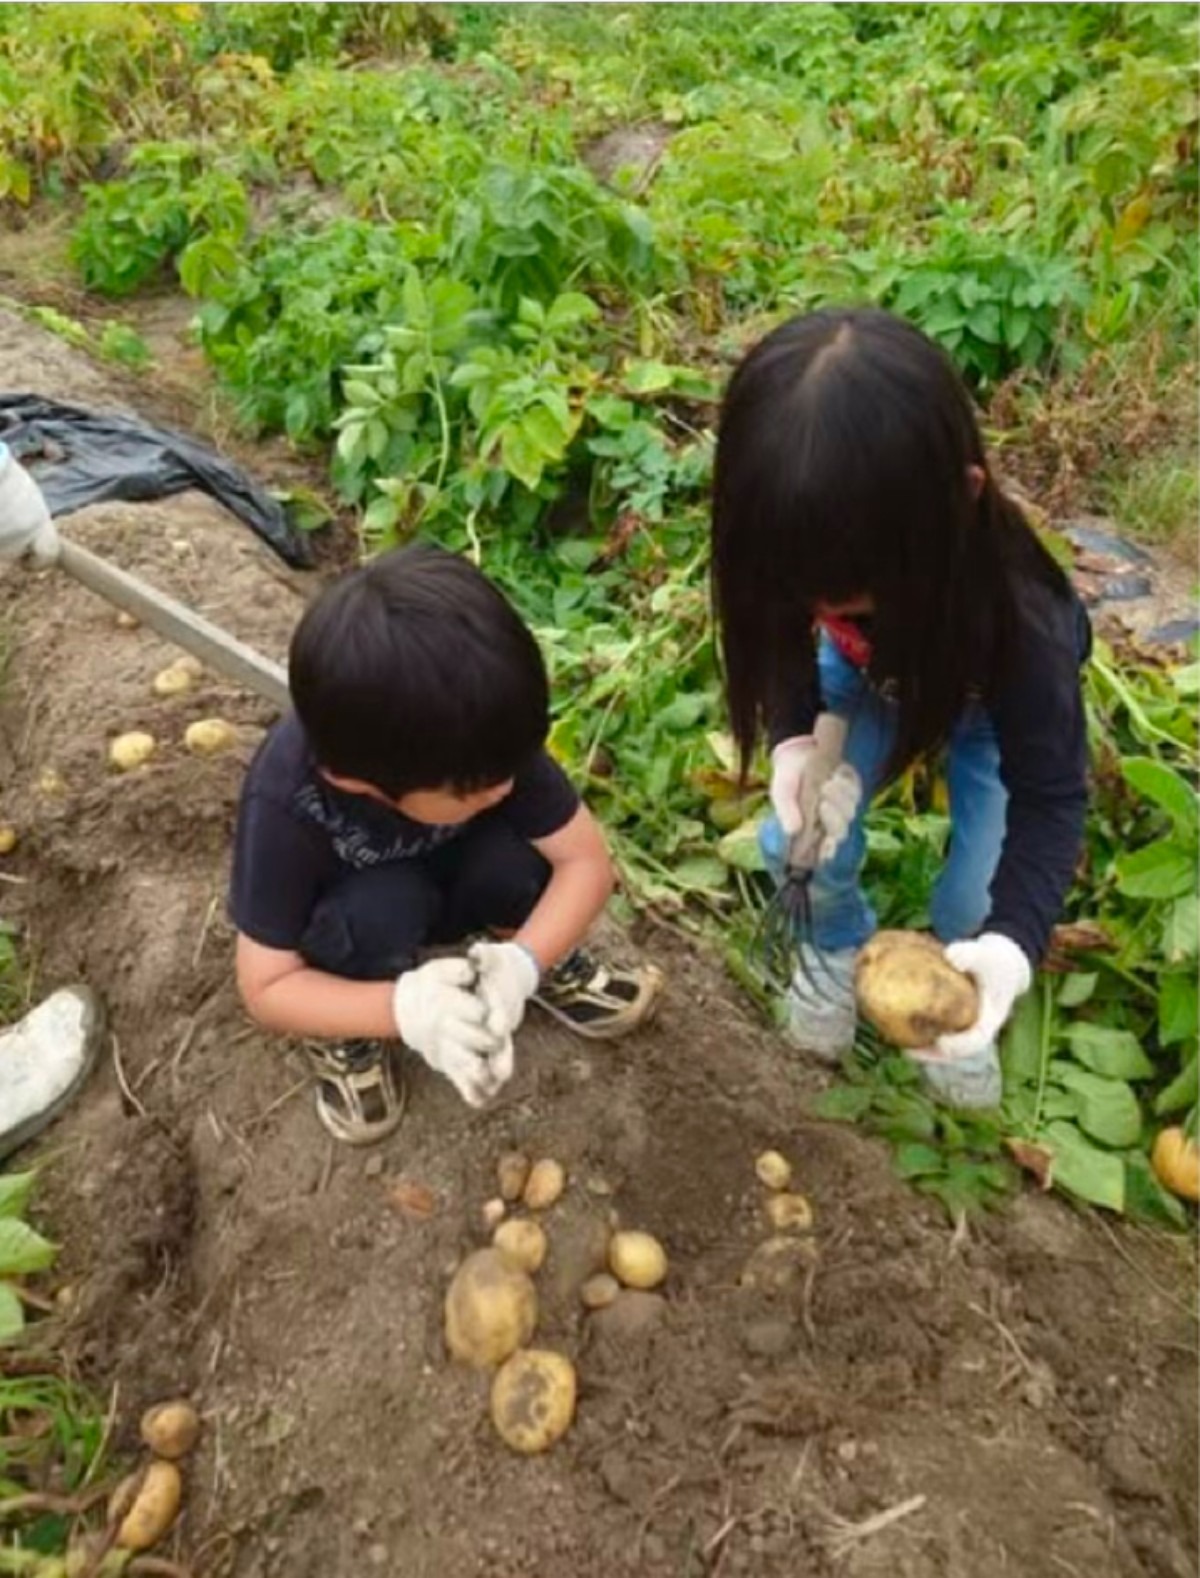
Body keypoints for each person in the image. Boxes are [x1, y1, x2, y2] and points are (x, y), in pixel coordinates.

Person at [710, 307, 1091, 1109]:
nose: (817, 603)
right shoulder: (797, 544)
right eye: (803, 590)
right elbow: (779, 635)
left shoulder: (1023, 626)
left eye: (846, 594)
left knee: (976, 898)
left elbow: (1052, 801)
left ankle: (953, 996)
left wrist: (1012, 947)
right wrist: (789, 743)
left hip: (988, 707)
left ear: (961, 500)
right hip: (864, 681)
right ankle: (834, 940)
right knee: (800, 838)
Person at [230, 543, 662, 1145]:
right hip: (366, 909)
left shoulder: (478, 738)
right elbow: (265, 984)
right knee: (377, 911)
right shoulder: (288, 802)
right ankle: (346, 1031)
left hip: (458, 873)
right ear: (359, 784)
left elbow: (586, 863)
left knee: (517, 861)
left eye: (510, 769)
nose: (507, 785)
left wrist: (524, 966)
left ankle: (530, 952)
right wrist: (403, 1011)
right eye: (480, 787)